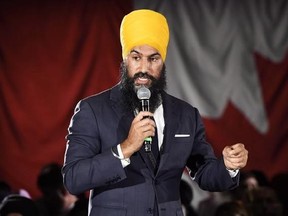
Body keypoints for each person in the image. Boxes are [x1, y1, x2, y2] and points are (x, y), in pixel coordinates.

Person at [62, 9, 248, 216]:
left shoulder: (185, 114)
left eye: (153, 59)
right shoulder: (93, 110)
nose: (144, 68)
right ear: (125, 60)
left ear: (163, 62)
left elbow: (205, 174)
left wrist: (228, 166)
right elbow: (73, 179)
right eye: (136, 57)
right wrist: (125, 148)